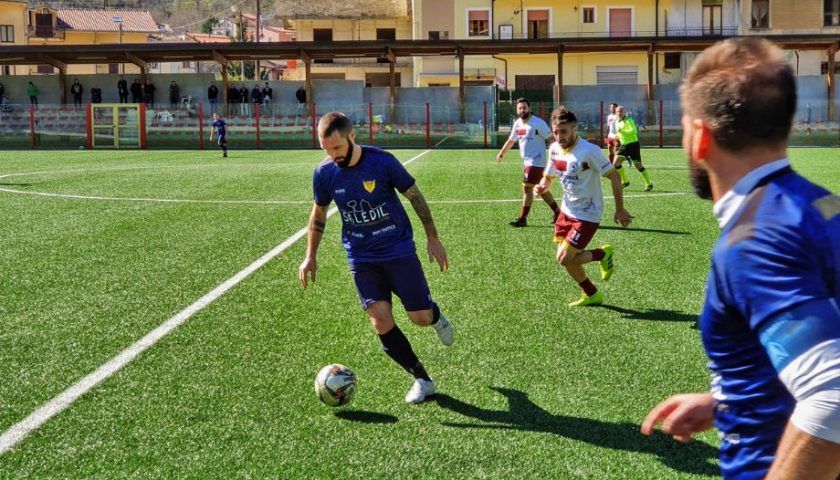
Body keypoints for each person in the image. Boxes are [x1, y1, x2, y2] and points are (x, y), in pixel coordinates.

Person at [641, 37, 840, 480]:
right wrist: (731, 402)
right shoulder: (823, 207)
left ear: (700, 137)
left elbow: (833, 391)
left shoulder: (754, 239)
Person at [298, 111, 454, 404]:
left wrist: (433, 238)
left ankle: (436, 317)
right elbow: (318, 214)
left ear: (352, 136)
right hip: (361, 255)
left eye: (337, 148)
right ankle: (422, 379)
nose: (333, 155)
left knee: (419, 317)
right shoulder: (324, 173)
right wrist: (310, 256)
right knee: (380, 320)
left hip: (398, 250)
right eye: (326, 150)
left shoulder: (382, 161)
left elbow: (415, 196)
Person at [534, 107, 632, 307]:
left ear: (574, 128)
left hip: (588, 212)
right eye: (555, 132)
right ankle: (591, 294)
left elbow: (613, 175)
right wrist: (542, 186)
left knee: (564, 258)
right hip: (567, 210)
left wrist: (620, 208)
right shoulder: (553, 149)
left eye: (564, 131)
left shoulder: (589, 151)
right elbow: (549, 177)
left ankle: (602, 254)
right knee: (566, 259)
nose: (559, 136)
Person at [496, 98, 561, 227]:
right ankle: (558, 212)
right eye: (520, 108)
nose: (522, 110)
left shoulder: (538, 123)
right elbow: (511, 140)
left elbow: (551, 139)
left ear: (529, 108)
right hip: (527, 162)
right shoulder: (518, 123)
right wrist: (502, 152)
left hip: (537, 161)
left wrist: (558, 154)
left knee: (527, 188)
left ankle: (522, 218)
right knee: (541, 189)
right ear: (517, 110)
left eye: (524, 107)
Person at [612, 105, 653, 191]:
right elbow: (621, 133)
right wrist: (616, 136)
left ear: (624, 112)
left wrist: (621, 131)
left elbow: (633, 131)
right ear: (615, 113)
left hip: (633, 145)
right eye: (618, 111)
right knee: (616, 163)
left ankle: (649, 183)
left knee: (638, 165)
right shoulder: (617, 121)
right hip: (624, 145)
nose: (619, 113)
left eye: (621, 111)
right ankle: (625, 181)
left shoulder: (628, 120)